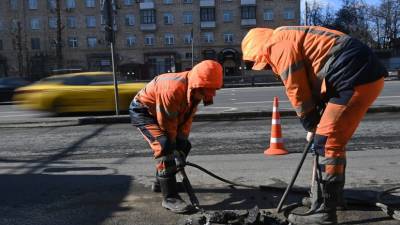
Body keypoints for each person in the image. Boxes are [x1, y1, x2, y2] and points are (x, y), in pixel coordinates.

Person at [242, 26, 387, 225]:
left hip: (354, 75)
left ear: (256, 49)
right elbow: (316, 75)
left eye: (262, 64)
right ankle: (330, 200)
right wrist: (315, 121)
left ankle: (324, 212)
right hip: (356, 73)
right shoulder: (287, 37)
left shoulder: (276, 45)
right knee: (329, 143)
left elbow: (297, 88)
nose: (266, 68)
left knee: (326, 143)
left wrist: (310, 123)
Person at [129, 60, 223, 214]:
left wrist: (181, 140)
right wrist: (172, 147)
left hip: (163, 112)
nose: (211, 94)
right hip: (144, 111)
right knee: (165, 146)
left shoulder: (196, 89)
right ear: (198, 84)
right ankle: (170, 197)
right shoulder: (172, 89)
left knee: (184, 145)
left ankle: (161, 183)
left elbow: (187, 118)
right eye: (208, 90)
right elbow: (167, 124)